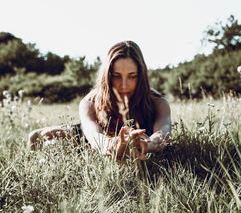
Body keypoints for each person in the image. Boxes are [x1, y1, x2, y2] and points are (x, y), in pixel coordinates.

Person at [28, 41, 171, 161]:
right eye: (116, 76)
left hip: (138, 138)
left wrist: (147, 144)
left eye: (132, 76)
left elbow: (162, 134)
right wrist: (111, 145)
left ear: (141, 76)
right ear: (107, 76)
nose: (124, 85)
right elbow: (95, 137)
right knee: (35, 136)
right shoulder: (90, 102)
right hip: (97, 134)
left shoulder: (157, 102)